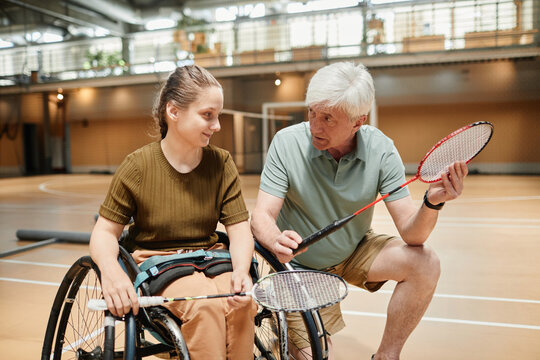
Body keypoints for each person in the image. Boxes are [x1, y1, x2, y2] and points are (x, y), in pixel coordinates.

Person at [250, 61, 468, 360]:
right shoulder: (287, 143)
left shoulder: (381, 149)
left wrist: (432, 202)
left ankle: (387, 356)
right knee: (312, 355)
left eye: (328, 118)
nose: (315, 125)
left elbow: (412, 233)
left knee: (425, 262)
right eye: (312, 112)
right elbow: (261, 216)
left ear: (358, 121)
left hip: (353, 250)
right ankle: (286, 331)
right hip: (299, 266)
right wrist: (275, 241)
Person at [90, 65, 256, 360]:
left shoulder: (221, 163)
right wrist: (111, 271)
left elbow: (240, 228)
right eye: (207, 115)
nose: (217, 125)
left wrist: (242, 270)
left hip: (209, 259)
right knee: (204, 306)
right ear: (174, 112)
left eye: (217, 115)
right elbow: (104, 232)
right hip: (159, 263)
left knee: (243, 302)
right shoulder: (138, 166)